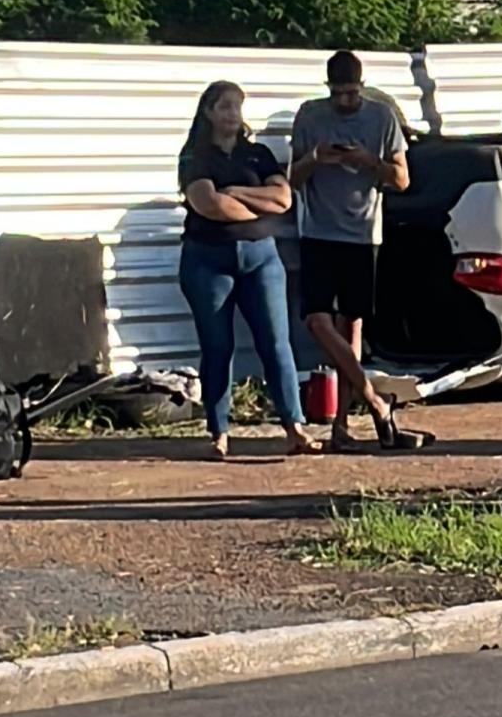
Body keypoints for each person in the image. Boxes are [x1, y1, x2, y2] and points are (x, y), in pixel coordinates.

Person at [177, 81, 323, 460]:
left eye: (237, 107)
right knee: (217, 345)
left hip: (261, 257)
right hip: (209, 259)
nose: (232, 114)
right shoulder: (196, 156)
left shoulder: (256, 154)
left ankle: (294, 426)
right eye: (224, 107)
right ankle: (219, 431)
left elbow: (284, 198)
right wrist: (257, 207)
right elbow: (208, 204)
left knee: (276, 342)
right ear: (208, 111)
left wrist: (236, 193)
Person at [290, 51, 427, 450]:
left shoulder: (381, 117)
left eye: (351, 94)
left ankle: (341, 428)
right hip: (317, 231)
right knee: (316, 320)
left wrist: (368, 161)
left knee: (352, 328)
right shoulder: (310, 116)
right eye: (338, 94)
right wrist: (316, 158)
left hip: (363, 234)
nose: (345, 101)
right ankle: (375, 399)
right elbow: (291, 178)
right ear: (328, 88)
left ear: (362, 88)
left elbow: (402, 179)